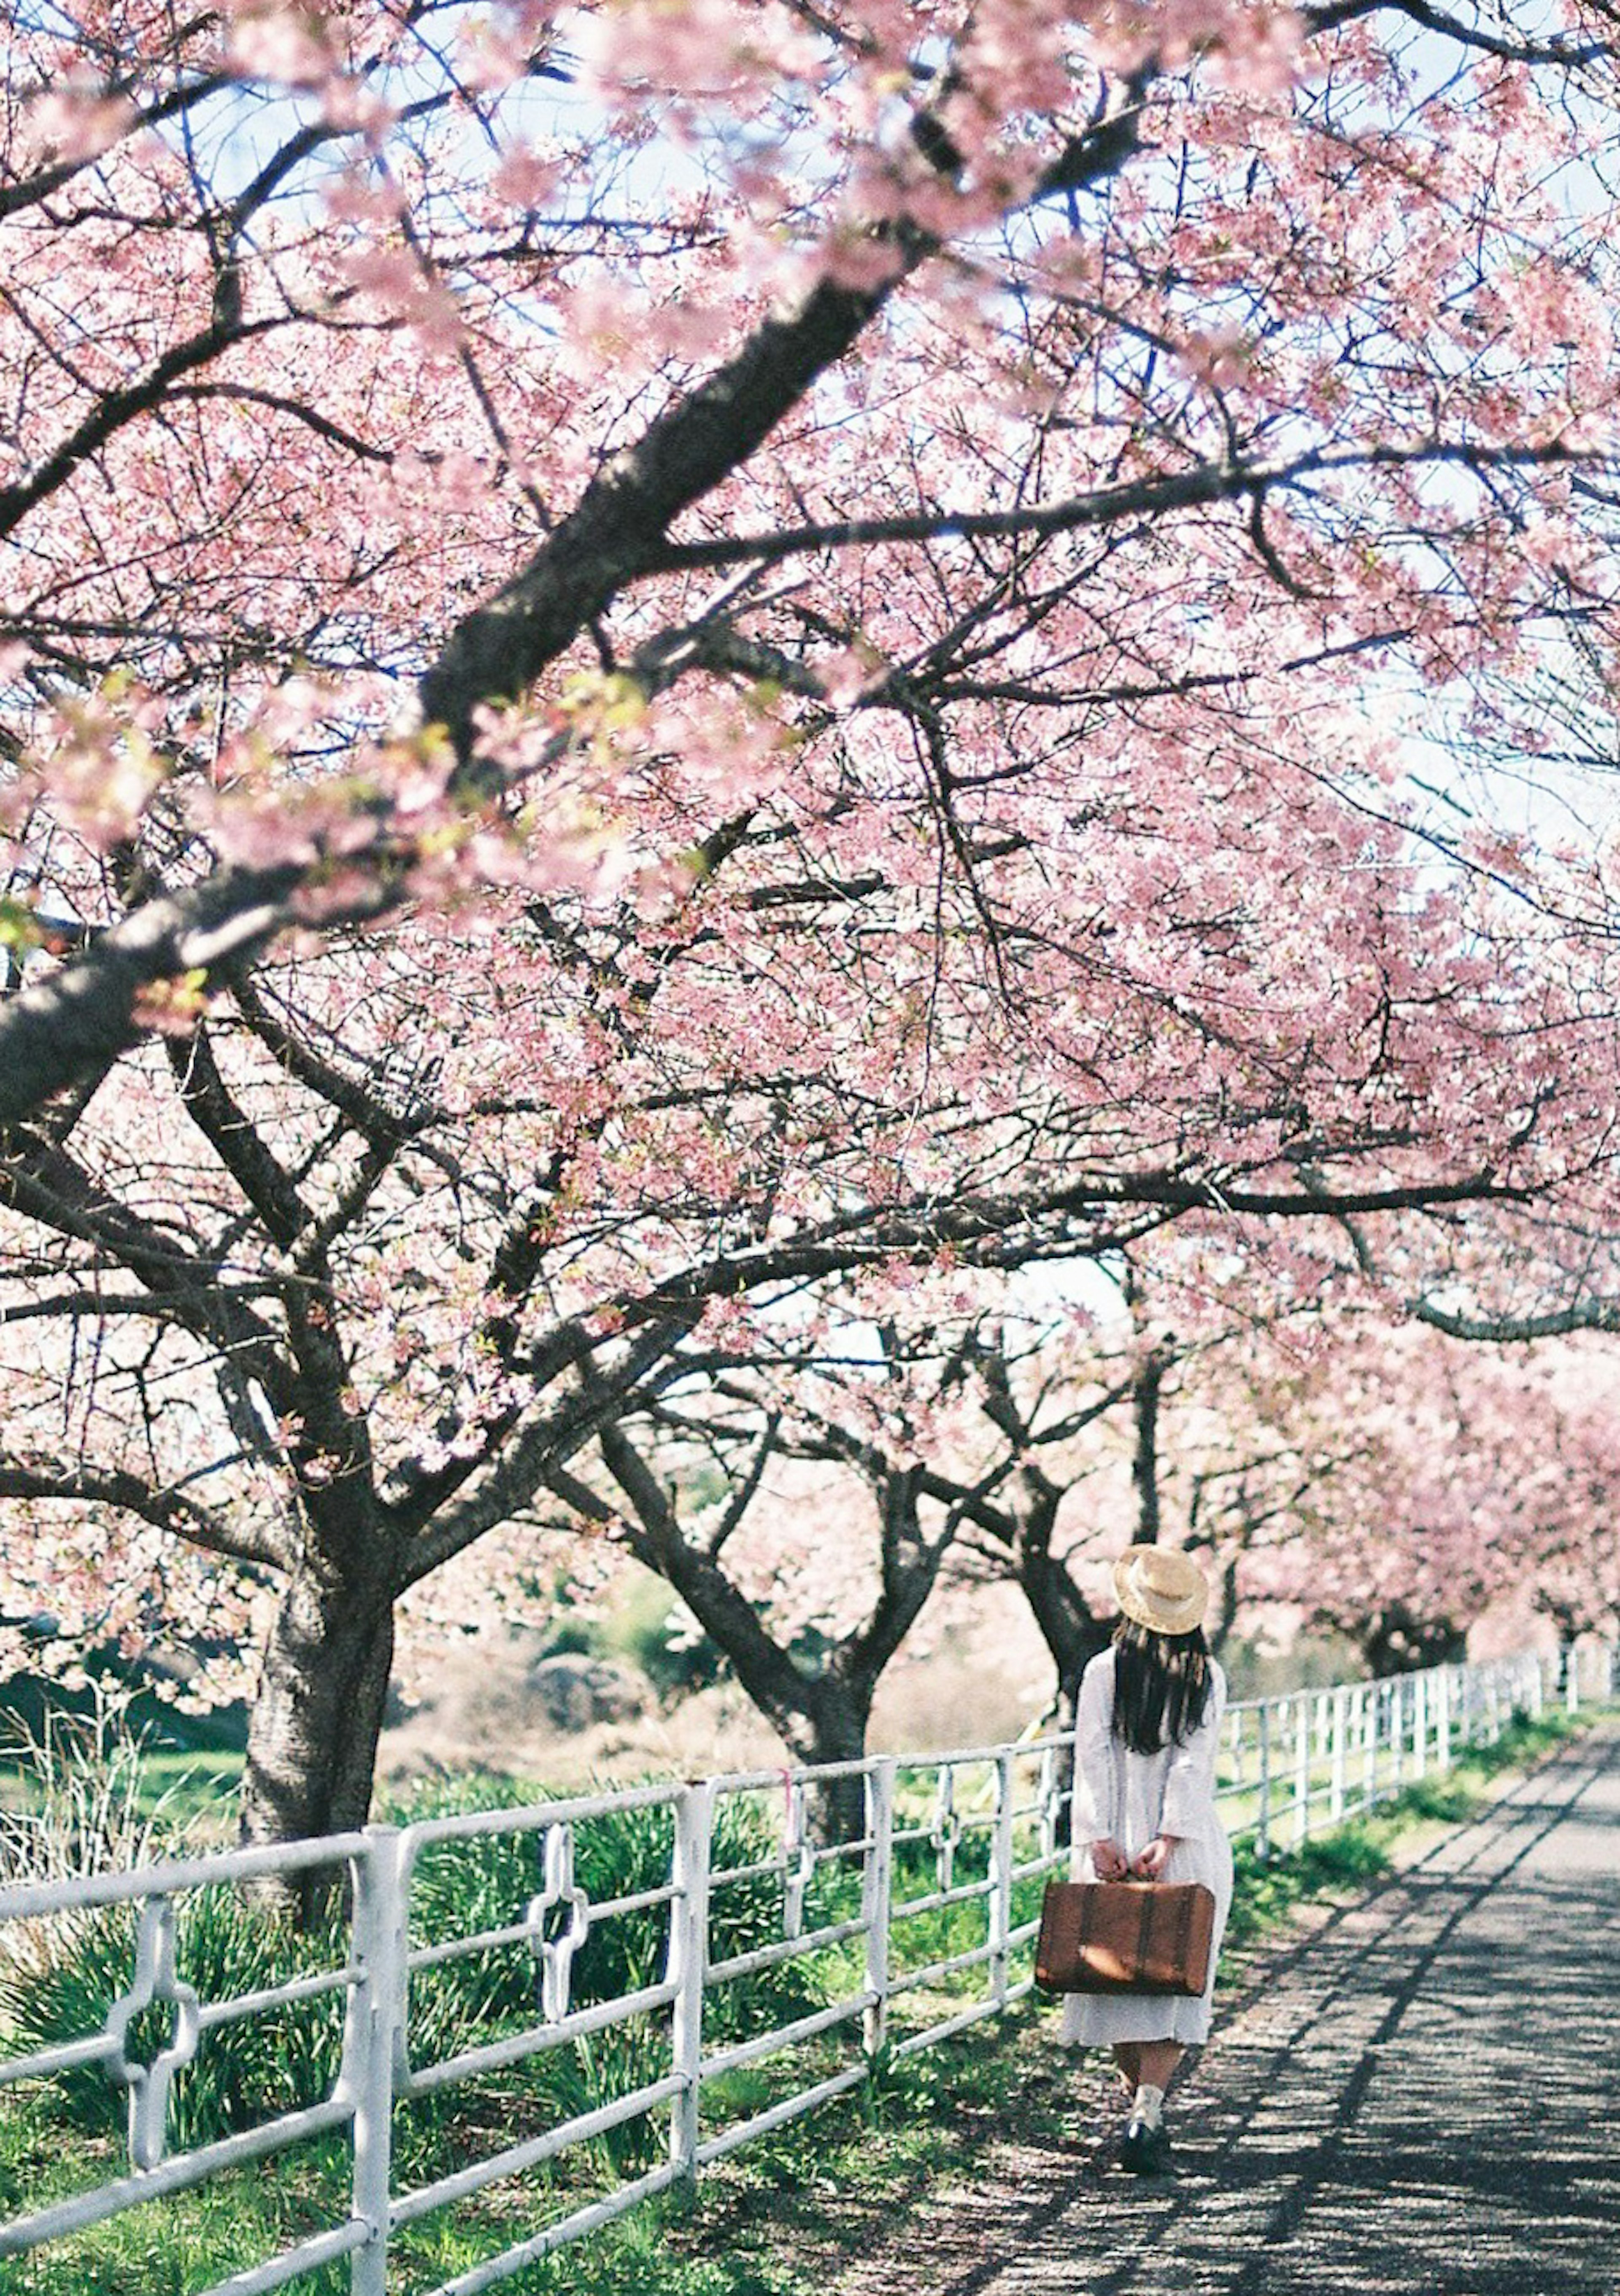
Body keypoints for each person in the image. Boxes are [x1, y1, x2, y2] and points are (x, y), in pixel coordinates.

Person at [1061, 1545, 1232, 2176]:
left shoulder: (1103, 1671)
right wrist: (1169, 1838)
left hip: (1110, 1847)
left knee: (1117, 1981)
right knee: (1172, 1980)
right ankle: (1148, 2112)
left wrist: (1100, 1837)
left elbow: (1092, 1757)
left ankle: (1140, 2111)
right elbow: (1194, 1762)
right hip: (1185, 1852)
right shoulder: (1206, 1677)